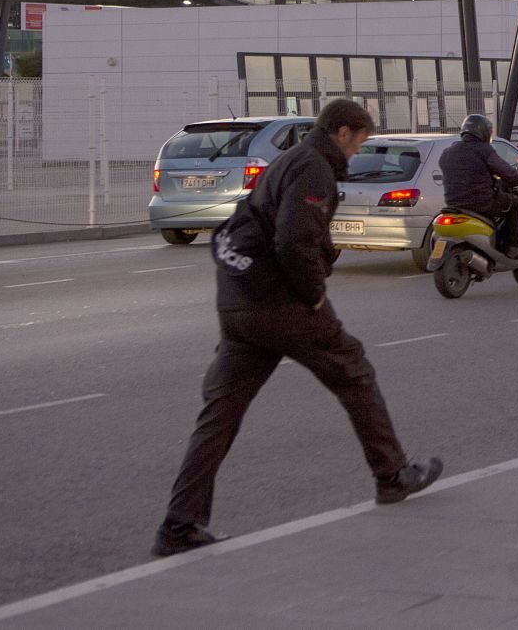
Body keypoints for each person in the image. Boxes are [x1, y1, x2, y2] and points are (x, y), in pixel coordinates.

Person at [155, 99, 442, 557]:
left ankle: (179, 525)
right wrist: (314, 295)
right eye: (360, 141)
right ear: (344, 132)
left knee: (219, 417)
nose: (357, 152)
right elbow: (293, 240)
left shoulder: (289, 158)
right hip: (281, 302)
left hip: (238, 302)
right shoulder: (315, 168)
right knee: (355, 374)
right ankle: (392, 475)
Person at [440, 113, 518, 257]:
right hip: (481, 203)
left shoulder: (448, 151)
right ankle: (512, 246)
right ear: (482, 131)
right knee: (516, 203)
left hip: (453, 204)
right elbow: (505, 170)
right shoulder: (484, 149)